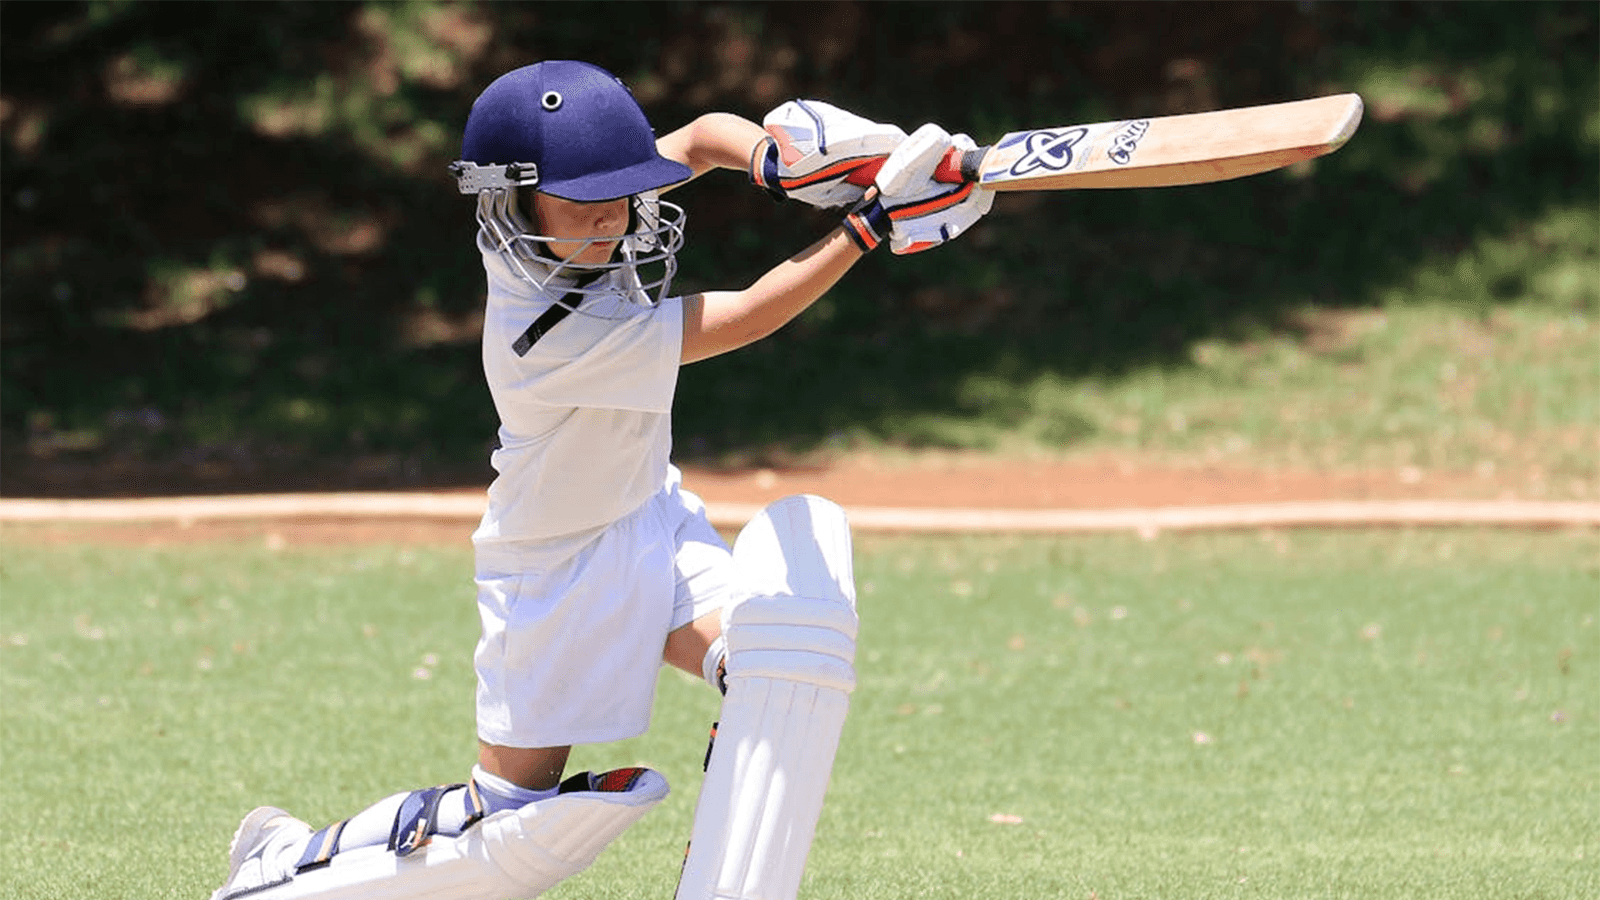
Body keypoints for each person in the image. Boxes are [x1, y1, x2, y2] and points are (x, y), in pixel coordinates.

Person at [209, 59, 992, 900]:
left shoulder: (580, 195)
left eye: (621, 199)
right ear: (512, 201)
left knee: (775, 664)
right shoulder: (545, 332)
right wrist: (867, 224)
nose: (614, 222)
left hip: (652, 511)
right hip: (553, 568)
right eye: (587, 207)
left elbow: (695, 139)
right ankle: (287, 861)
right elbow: (750, 313)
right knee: (507, 821)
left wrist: (779, 163)